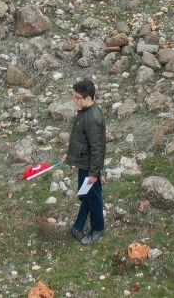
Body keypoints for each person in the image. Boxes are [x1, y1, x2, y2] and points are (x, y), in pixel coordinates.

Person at [65, 79, 107, 245]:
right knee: (85, 196)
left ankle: (98, 229)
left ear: (88, 97)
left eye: (77, 97)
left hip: (90, 168)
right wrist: (69, 154)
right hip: (83, 164)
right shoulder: (84, 111)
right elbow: (79, 138)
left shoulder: (93, 118)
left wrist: (93, 174)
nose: (74, 101)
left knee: (93, 198)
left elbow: (98, 149)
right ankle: (78, 226)